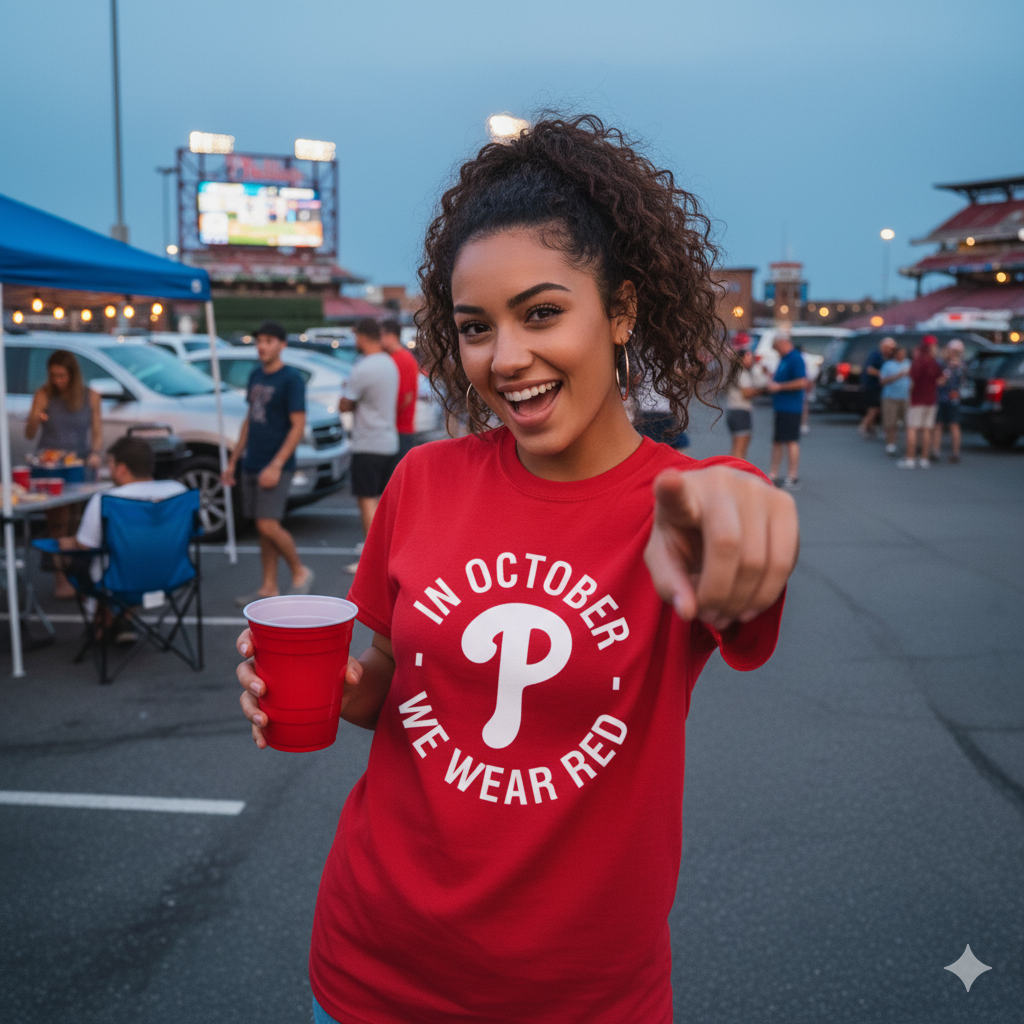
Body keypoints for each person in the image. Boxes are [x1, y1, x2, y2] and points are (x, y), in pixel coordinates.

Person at [235, 113, 799, 1024]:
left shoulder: (686, 503)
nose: (507, 358)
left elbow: (738, 518)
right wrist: (335, 689)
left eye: (542, 313)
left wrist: (749, 501)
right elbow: (391, 687)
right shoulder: (424, 481)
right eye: (475, 327)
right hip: (367, 972)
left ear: (620, 310)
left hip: (580, 1001)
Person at [58, 435, 186, 642]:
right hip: (171, 579)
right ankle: (124, 618)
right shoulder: (177, 492)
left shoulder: (106, 500)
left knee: (84, 561)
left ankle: (103, 623)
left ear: (122, 469)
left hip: (120, 583)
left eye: (110, 464)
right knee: (137, 555)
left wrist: (64, 543)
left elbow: (84, 544)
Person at [223, 321, 314, 605]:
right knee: (264, 529)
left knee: (267, 525)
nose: (262, 346)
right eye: (259, 341)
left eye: (269, 341)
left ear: (282, 345)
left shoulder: (291, 380)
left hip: (277, 465)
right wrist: (233, 460)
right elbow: (250, 419)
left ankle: (300, 571)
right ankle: (268, 586)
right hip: (252, 461)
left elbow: (298, 426)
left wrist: (276, 465)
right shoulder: (255, 376)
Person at [25, 349, 104, 598]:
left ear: (72, 374)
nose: (58, 380)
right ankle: (61, 579)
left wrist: (95, 452)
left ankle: (79, 577)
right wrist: (36, 418)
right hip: (51, 466)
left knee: (78, 523)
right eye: (53, 375)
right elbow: (29, 433)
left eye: (62, 375)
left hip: (78, 463)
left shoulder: (90, 397)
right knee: (58, 524)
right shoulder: (43, 395)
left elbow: (97, 431)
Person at [339, 318, 399, 574]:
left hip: (368, 442)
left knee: (366, 502)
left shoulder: (364, 367)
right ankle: (383, 554)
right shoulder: (389, 363)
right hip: (388, 439)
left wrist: (347, 393)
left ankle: (372, 559)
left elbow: (344, 404)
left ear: (363, 337)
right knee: (382, 503)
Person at [767, 329, 808, 489]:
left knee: (791, 440)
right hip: (782, 406)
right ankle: (773, 473)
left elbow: (802, 382)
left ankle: (792, 475)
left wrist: (780, 387)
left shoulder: (795, 358)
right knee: (777, 440)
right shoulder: (784, 358)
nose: (776, 351)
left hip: (791, 406)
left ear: (784, 343)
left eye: (777, 347)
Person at [899, 335, 943, 469]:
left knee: (912, 428)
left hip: (917, 399)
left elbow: (912, 381)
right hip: (931, 399)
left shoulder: (917, 362)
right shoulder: (935, 363)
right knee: (926, 429)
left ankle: (910, 458)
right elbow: (941, 380)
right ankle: (924, 459)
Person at [380, 318, 421, 458]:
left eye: (381, 336)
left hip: (400, 429)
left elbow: (404, 396)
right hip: (397, 428)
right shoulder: (395, 357)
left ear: (391, 336)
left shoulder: (401, 359)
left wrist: (386, 418)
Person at [932, 338, 965, 463]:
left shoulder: (957, 366)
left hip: (950, 398)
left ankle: (954, 452)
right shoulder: (943, 363)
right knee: (940, 424)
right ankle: (936, 451)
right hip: (945, 398)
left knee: (951, 425)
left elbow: (940, 382)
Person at [726, 345, 759, 460]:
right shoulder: (741, 372)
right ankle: (734, 473)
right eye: (747, 358)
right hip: (739, 411)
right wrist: (764, 390)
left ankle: (734, 472)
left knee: (739, 447)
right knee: (739, 449)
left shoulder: (737, 371)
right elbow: (746, 393)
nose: (750, 361)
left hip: (735, 411)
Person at [859, 337, 895, 439]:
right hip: (872, 385)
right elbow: (870, 370)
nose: (889, 350)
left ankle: (872, 428)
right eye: (888, 347)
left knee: (878, 408)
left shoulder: (888, 357)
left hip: (882, 387)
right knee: (873, 408)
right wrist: (883, 375)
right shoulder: (876, 355)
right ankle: (864, 426)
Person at [880, 345, 911, 455]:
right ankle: (891, 444)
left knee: (908, 423)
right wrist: (898, 376)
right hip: (890, 397)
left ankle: (909, 446)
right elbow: (882, 381)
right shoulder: (888, 365)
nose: (902, 355)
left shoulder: (909, 364)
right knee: (891, 422)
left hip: (906, 397)